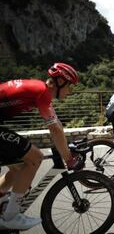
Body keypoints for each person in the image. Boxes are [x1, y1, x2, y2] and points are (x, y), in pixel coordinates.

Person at [0, 63, 83, 230]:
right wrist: (68, 158)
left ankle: (2, 201)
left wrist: (65, 148)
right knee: (35, 157)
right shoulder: (42, 92)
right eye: (70, 87)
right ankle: (10, 217)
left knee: (19, 167)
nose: (70, 92)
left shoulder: (40, 89)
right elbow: (54, 129)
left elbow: (57, 125)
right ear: (60, 81)